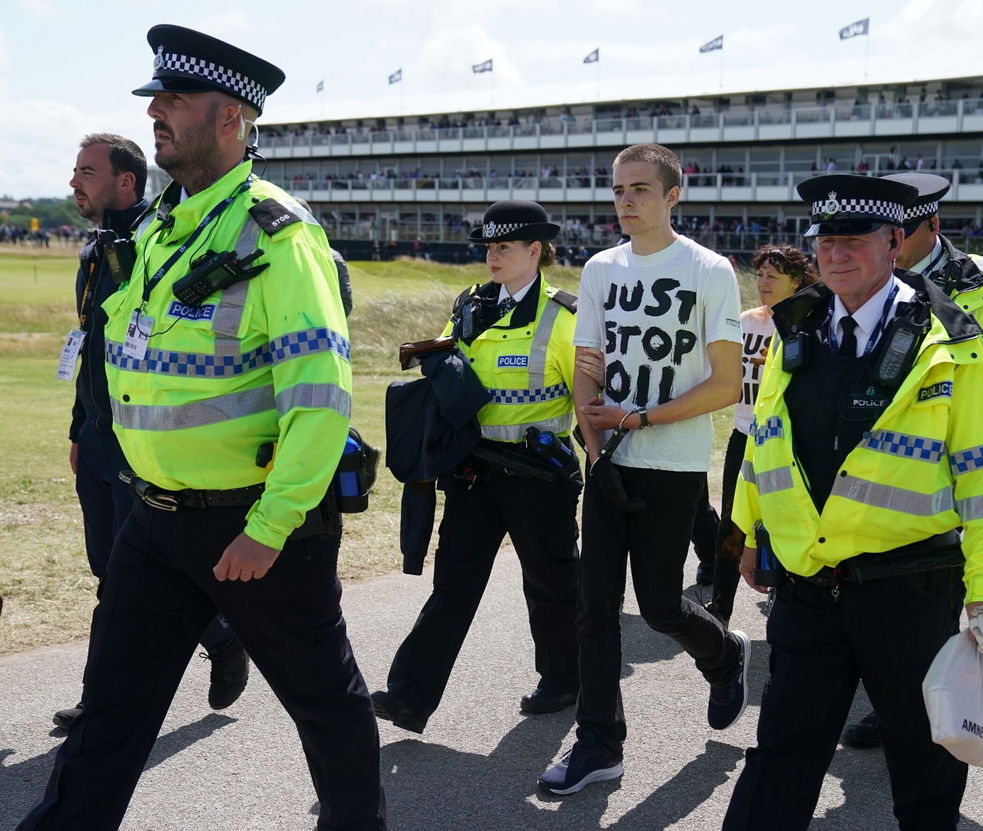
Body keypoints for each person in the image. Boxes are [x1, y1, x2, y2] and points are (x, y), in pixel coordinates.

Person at [19, 25, 385, 830]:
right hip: (151, 518)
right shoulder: (157, 227)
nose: (157, 112)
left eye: (176, 100)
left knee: (326, 706)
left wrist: (270, 526)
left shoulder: (280, 236)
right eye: (156, 98)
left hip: (253, 530)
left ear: (232, 119)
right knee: (109, 713)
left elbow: (320, 397)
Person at [723, 174, 983, 830]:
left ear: (895, 241)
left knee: (924, 765)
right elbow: (767, 439)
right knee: (781, 752)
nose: (837, 253)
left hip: (909, 588)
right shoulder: (798, 324)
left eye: (855, 239)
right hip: (808, 587)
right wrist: (749, 531)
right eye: (827, 239)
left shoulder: (951, 338)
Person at [537, 143, 749, 796]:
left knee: (659, 606)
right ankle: (599, 742)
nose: (625, 201)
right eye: (618, 191)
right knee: (593, 609)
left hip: (672, 464)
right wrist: (597, 447)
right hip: (609, 462)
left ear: (671, 197)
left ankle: (725, 652)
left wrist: (640, 420)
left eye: (639, 190)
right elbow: (588, 364)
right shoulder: (601, 269)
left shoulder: (710, 270)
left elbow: (725, 382)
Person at [838, 171, 983, 750]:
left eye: (900, 231)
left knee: (937, 583)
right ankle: (897, 698)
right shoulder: (868, 283)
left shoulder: (980, 286)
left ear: (931, 227)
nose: (889, 242)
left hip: (963, 453)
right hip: (890, 459)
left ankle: (919, 705)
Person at [54, 134, 250, 731]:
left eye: (86, 171)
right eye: (74, 171)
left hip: (144, 442)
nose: (74, 183)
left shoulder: (155, 245)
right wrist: (79, 428)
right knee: (107, 571)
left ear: (126, 183)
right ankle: (220, 636)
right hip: (98, 438)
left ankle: (103, 705)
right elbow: (93, 350)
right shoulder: (97, 252)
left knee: (127, 580)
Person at [371, 200, 582, 732]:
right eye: (488, 246)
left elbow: (588, 399)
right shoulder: (468, 303)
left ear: (535, 251)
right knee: (453, 587)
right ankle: (409, 699)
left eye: (503, 246)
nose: (493, 255)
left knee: (551, 586)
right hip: (475, 471)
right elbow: (452, 365)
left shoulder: (565, 316)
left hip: (540, 475)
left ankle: (562, 681)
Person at [705, 245, 817, 627]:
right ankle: (720, 607)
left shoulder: (809, 323)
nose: (763, 283)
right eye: (761, 275)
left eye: (774, 276)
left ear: (797, 281)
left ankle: (790, 600)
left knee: (784, 520)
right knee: (732, 524)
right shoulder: (744, 322)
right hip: (742, 435)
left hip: (786, 443)